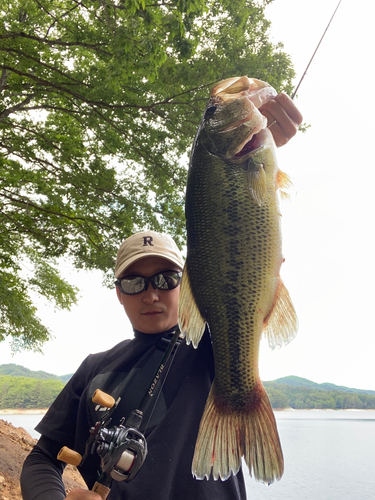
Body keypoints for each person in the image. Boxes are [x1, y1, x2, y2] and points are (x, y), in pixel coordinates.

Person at [20, 95, 302, 500]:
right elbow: (42, 457)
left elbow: (237, 263)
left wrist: (262, 142)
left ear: (189, 282)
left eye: (166, 278)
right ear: (118, 293)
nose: (151, 293)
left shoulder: (208, 348)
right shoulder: (94, 369)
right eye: (134, 282)